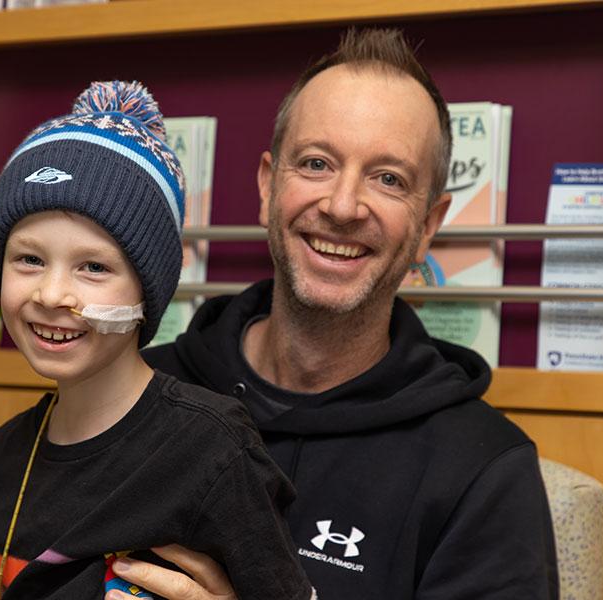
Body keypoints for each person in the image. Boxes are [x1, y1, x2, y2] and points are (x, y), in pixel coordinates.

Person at [107, 28, 559, 599]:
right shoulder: (132, 398)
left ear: (427, 227)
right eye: (317, 163)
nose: (343, 206)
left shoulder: (486, 470)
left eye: (388, 179)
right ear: (270, 187)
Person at [0, 80, 314, 600]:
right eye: (30, 259)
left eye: (94, 267)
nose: (52, 293)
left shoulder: (212, 450)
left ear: (147, 289)